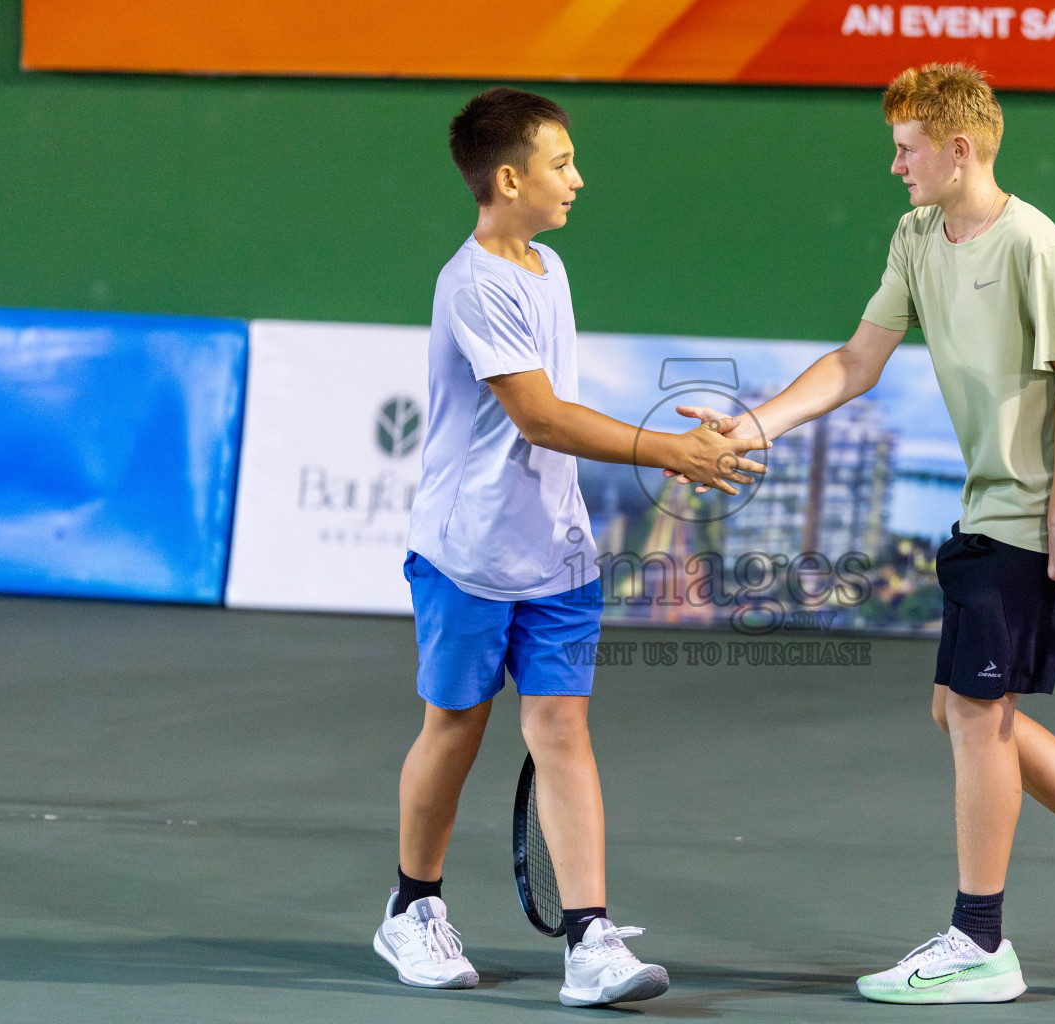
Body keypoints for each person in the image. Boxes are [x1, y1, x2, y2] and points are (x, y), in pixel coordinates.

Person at [676, 63, 1055, 1003]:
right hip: (991, 505)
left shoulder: (1035, 244)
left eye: (907, 149)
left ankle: (981, 942)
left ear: (959, 149)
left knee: (974, 715)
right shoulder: (918, 235)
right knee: (966, 713)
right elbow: (857, 359)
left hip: (1041, 511)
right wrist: (753, 425)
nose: (895, 166)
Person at [373, 86, 767, 1007]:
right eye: (561, 164)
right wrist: (665, 447)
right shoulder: (470, 284)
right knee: (456, 727)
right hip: (467, 553)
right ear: (509, 178)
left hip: (558, 554)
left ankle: (591, 938)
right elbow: (540, 417)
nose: (577, 180)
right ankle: (411, 907)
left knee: (562, 728)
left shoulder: (547, 267)